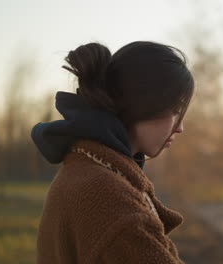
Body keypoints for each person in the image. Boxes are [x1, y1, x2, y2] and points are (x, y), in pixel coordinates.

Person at [30, 41, 195, 263]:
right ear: (143, 103)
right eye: (176, 111)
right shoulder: (115, 206)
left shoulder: (84, 167)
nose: (180, 127)